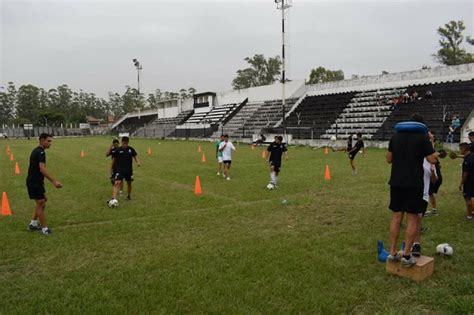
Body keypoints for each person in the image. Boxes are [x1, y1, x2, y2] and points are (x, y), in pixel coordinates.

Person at [386, 114, 438, 266]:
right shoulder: (422, 138)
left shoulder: (395, 137)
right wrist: (431, 143)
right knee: (412, 218)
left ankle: (393, 252)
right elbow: (432, 159)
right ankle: (407, 256)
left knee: (396, 216)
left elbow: (389, 159)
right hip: (414, 183)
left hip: (396, 182)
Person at [27, 133, 63, 235]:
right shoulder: (40, 152)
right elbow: (42, 169)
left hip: (35, 182)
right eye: (48, 141)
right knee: (41, 203)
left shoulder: (38, 150)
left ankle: (33, 223)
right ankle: (44, 229)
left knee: (43, 201)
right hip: (34, 183)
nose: (50, 143)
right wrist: (54, 181)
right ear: (42, 141)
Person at [412, 157, 438, 256]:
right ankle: (409, 245)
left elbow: (434, 180)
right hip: (410, 192)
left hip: (423, 195)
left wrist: (432, 172)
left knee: (418, 218)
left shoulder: (431, 161)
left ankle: (416, 244)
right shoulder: (414, 157)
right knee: (411, 218)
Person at [110, 136, 140, 202]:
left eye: (126, 143)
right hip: (119, 169)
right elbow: (114, 159)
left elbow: (135, 155)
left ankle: (129, 196)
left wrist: (137, 162)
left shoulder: (130, 149)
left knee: (129, 183)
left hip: (128, 170)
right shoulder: (118, 150)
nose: (125, 145)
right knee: (117, 182)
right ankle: (113, 199)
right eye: (124, 143)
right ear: (121, 142)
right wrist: (111, 168)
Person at [425, 132, 443, 216]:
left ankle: (424, 210)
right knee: (429, 193)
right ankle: (434, 210)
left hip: (433, 177)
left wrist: (431, 139)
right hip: (436, 177)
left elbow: (431, 149)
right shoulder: (433, 155)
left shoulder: (430, 156)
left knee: (426, 193)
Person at [459, 142, 474, 220]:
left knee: (467, 197)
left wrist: (461, 183)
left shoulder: (467, 160)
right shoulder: (472, 155)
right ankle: (472, 212)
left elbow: (465, 174)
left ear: (464, 149)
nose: (459, 150)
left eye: (460, 148)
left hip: (470, 181)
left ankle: (469, 215)